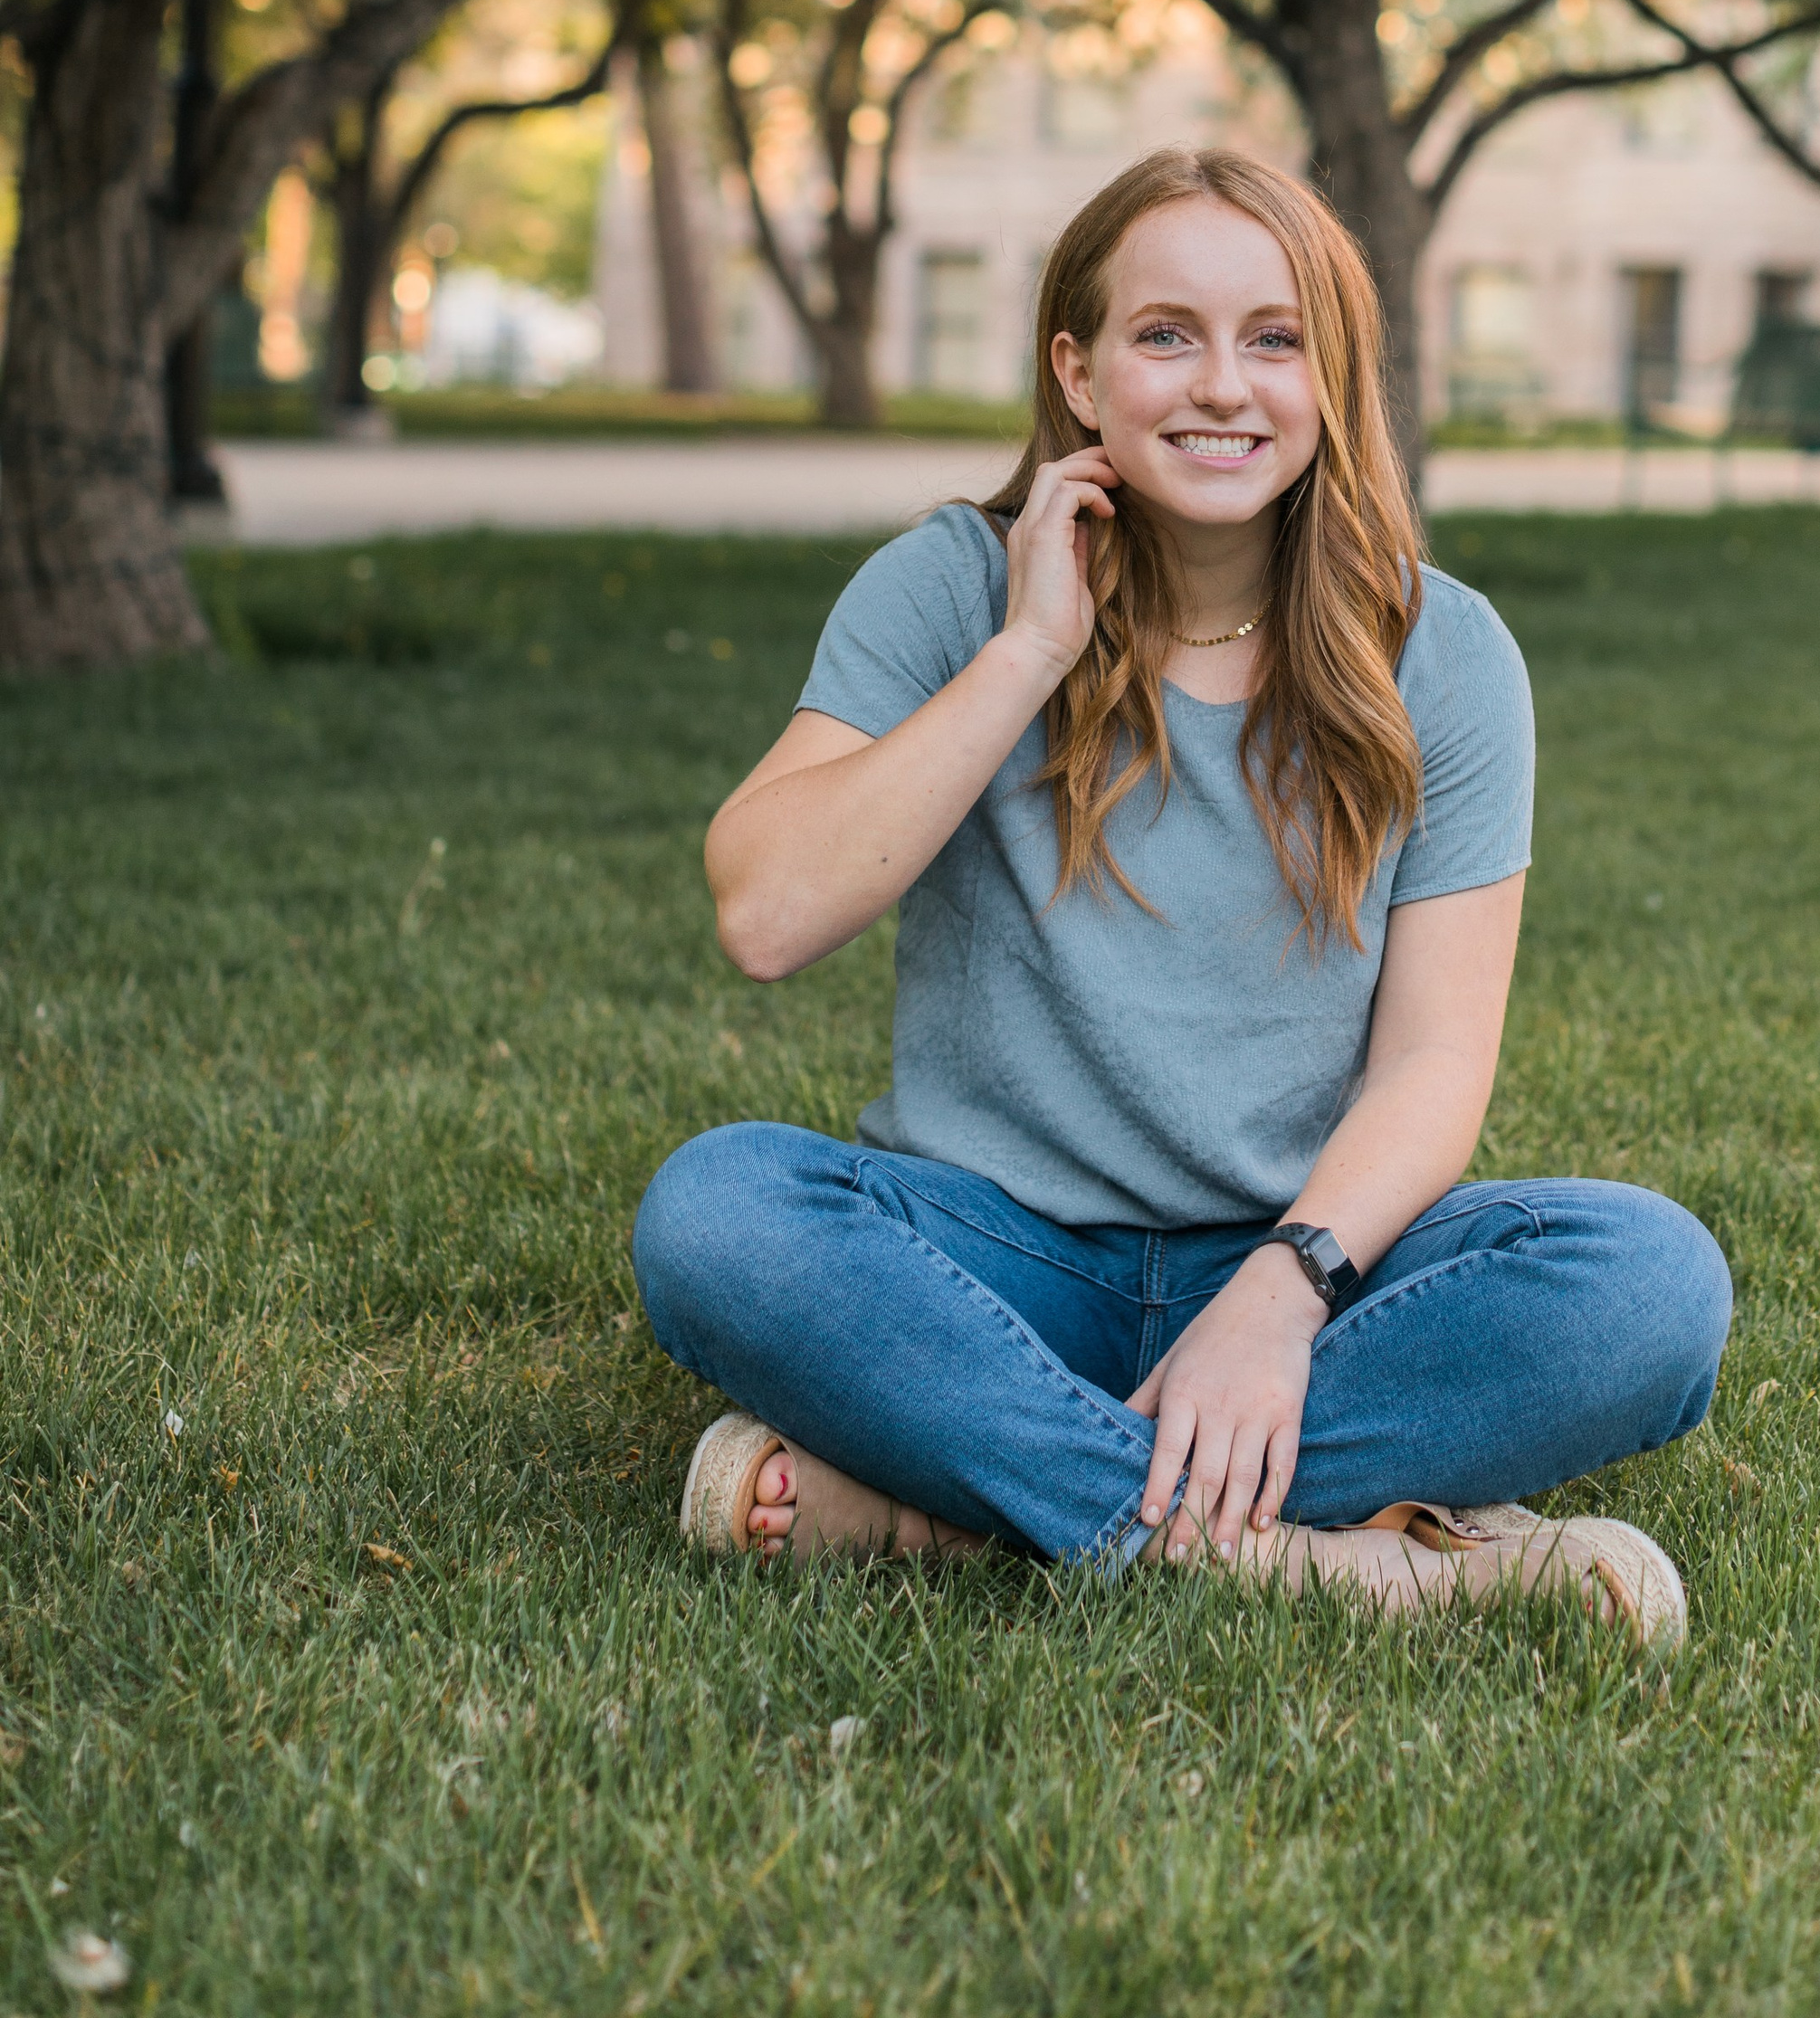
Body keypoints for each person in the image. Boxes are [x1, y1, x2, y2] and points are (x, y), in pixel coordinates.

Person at [632, 148, 1729, 1633]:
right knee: (719, 1214)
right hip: (993, 1258)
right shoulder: (948, 588)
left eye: (1275, 340)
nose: (1224, 385)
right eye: (1168, 335)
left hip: (1306, 1264)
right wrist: (1027, 650)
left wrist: (1278, 1303)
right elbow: (766, 917)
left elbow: (1433, 1061)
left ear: (1332, 377)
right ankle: (1326, 1558)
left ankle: (960, 1500)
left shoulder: (1445, 652)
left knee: (1650, 1286)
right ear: (1078, 373)